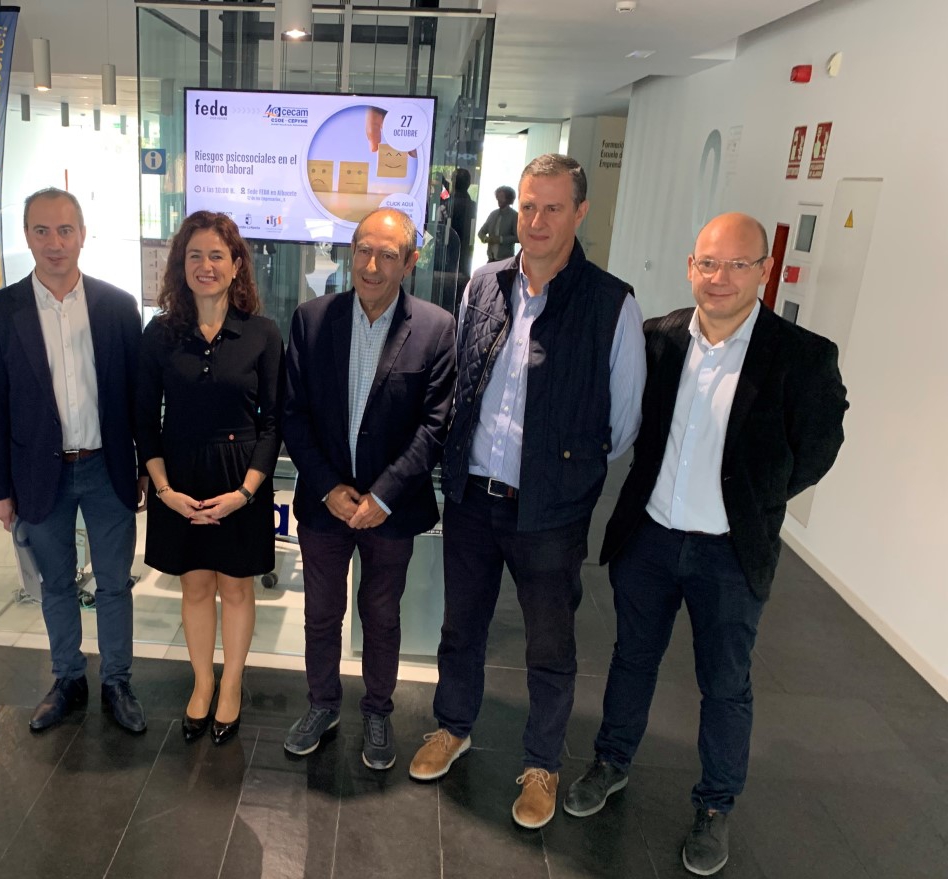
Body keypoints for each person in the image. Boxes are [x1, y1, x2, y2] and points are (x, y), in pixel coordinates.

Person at [563, 212, 848, 876]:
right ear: (691, 267)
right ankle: (611, 762)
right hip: (650, 539)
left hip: (729, 553)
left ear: (764, 271)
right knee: (632, 660)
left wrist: (756, 499)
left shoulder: (802, 356)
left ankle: (715, 805)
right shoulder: (658, 338)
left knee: (725, 685)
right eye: (708, 263)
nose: (720, 278)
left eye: (738, 265)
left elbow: (817, 450)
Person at [408, 154, 647, 833]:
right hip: (472, 499)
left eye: (553, 208)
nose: (536, 221)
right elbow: (463, 380)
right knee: (461, 626)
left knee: (549, 645)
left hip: (550, 511)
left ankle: (542, 763)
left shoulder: (611, 304)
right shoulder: (484, 284)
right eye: (529, 206)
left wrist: (564, 472)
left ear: (580, 212)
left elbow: (622, 422)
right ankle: (453, 726)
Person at [281, 209, 455, 769]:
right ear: (350, 253)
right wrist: (328, 487)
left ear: (410, 262)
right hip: (325, 506)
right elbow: (293, 414)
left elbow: (435, 425)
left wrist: (383, 496)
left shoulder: (435, 328)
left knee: (381, 616)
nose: (372, 266)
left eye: (387, 255)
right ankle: (322, 705)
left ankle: (378, 711)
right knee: (320, 614)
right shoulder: (312, 320)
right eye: (363, 251)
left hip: (391, 511)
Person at [0, 188, 147, 735]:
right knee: (55, 584)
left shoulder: (118, 306)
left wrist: (146, 466)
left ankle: (117, 681)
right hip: (37, 473)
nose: (55, 243)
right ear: (26, 236)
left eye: (65, 230)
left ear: (83, 235)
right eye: (42, 231)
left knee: (114, 583)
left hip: (107, 467)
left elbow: (138, 397)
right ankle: (68, 678)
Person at [136, 211, 284, 746]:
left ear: (236, 264)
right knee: (195, 585)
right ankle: (202, 683)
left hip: (240, 481)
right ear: (181, 264)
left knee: (236, 587)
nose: (206, 265)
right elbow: (143, 419)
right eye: (194, 255)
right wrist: (164, 490)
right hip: (178, 479)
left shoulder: (262, 333)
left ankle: (232, 685)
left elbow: (274, 423)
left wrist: (246, 492)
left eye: (217, 255)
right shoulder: (160, 334)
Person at [446, 167, 478, 300]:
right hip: (466, 249)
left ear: (453, 182)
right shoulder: (473, 205)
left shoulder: (447, 204)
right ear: (469, 183)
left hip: (448, 249)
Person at [477, 185, 519, 262]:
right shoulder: (493, 214)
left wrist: (500, 239)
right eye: (498, 196)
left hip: (506, 260)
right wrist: (486, 239)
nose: (499, 199)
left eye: (502, 196)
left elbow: (518, 238)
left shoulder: (514, 215)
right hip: (491, 259)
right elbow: (481, 232)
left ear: (508, 198)